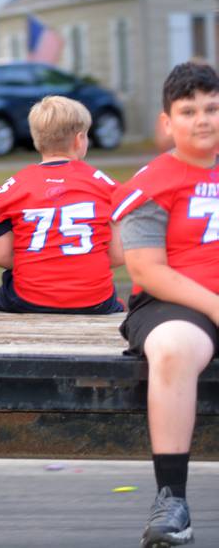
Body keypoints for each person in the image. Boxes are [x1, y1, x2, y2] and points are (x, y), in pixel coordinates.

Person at [111, 61, 219, 547]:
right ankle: (171, 498)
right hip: (174, 303)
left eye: (213, 108)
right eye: (189, 109)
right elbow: (146, 270)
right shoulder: (151, 182)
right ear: (167, 121)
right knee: (173, 348)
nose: (203, 119)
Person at [0, 95, 124, 314]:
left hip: (29, 298)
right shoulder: (106, 187)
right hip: (94, 300)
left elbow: (0, 256)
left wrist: (41, 263)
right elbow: (118, 256)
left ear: (36, 139)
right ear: (79, 140)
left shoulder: (15, 188)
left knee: (0, 299)